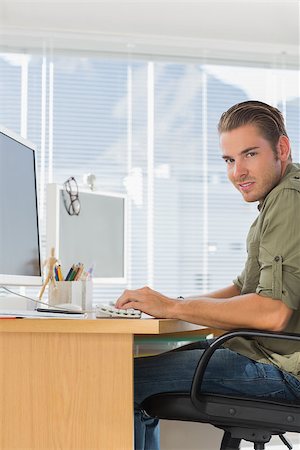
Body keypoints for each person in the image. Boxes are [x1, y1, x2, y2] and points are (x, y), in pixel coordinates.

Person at [116, 100, 300, 450]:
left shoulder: (289, 199)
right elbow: (240, 288)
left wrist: (173, 308)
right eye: (230, 160)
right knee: (135, 367)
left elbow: (273, 313)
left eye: (250, 154)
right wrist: (177, 303)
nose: (237, 172)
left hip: (285, 370)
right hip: (267, 354)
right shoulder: (278, 198)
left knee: (119, 379)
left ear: (282, 148)